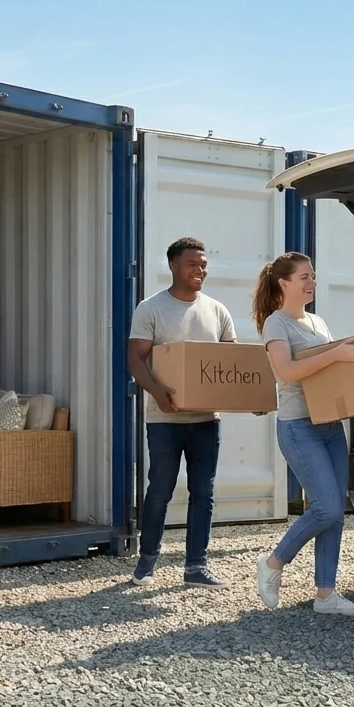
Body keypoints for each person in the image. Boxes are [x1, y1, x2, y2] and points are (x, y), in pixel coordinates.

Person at [251, 251, 354, 616]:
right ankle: (272, 563)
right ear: (283, 283)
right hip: (299, 427)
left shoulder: (318, 322)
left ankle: (325, 595)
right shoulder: (277, 324)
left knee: (335, 512)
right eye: (304, 277)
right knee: (326, 506)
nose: (312, 282)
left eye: (314, 276)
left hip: (330, 425)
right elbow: (286, 372)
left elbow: (334, 374)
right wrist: (337, 355)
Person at [127, 237, 238, 589]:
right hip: (165, 420)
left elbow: (231, 364)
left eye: (203, 264)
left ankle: (196, 567)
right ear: (173, 265)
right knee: (160, 489)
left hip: (206, 420)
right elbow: (135, 358)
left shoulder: (217, 310)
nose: (200, 270)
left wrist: (244, 397)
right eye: (192, 264)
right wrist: (157, 392)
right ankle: (146, 563)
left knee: (203, 492)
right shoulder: (152, 308)